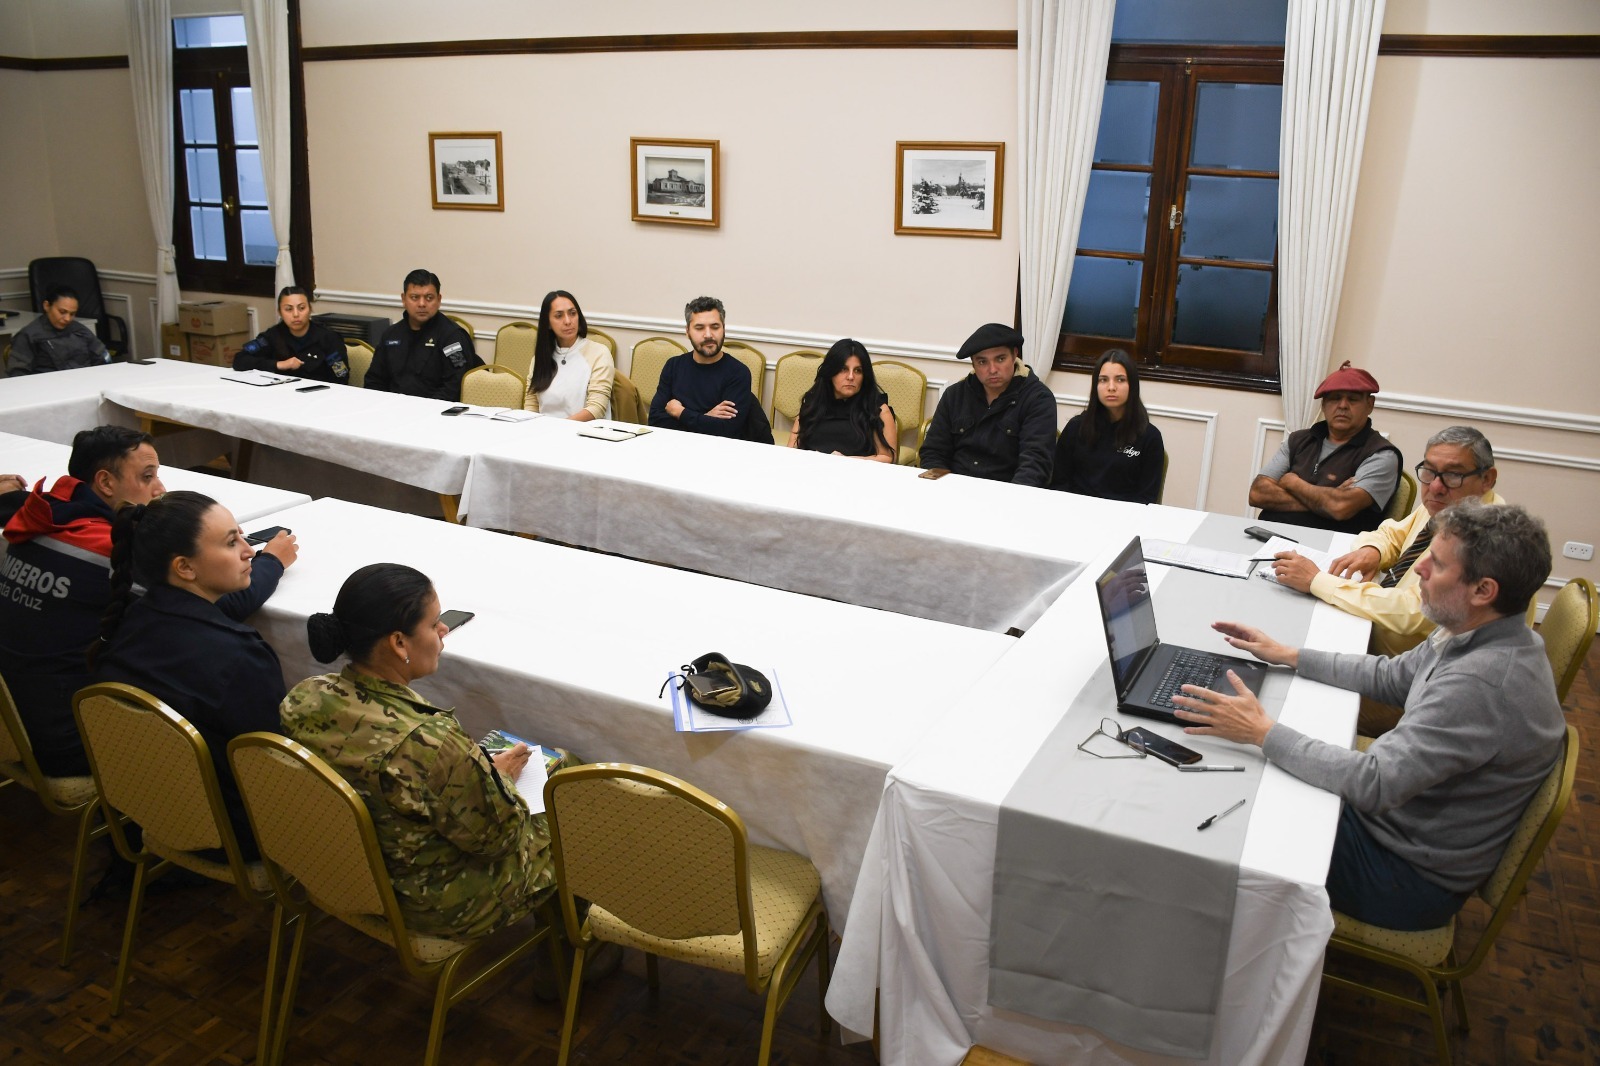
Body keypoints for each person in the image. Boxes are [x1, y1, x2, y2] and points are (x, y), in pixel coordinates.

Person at [1172, 501, 1563, 931]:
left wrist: (1261, 731)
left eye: (1436, 563)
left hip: (1401, 877)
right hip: (1400, 832)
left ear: (1482, 590)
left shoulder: (1481, 684)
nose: (1422, 572)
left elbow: (1373, 782)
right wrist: (1290, 655)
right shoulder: (1482, 627)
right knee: (1258, 774)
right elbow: (1396, 675)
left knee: (1227, 813)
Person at [280, 563, 563, 940]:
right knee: (567, 783)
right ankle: (575, 951)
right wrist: (502, 781)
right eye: (433, 624)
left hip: (340, 871)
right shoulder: (431, 742)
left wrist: (474, 772)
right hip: (433, 905)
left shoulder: (304, 698)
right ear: (399, 643)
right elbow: (500, 841)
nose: (444, 630)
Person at [91, 491, 299, 856]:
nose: (250, 551)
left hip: (148, 809)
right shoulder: (238, 654)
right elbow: (276, 770)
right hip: (236, 834)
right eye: (232, 542)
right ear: (184, 567)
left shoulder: (128, 622)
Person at [0, 427, 172, 775]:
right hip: (66, 742)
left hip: (15, 725)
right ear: (106, 483)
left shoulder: (39, 518)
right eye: (147, 476)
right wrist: (268, 564)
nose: (161, 490)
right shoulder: (107, 552)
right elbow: (196, 606)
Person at [1269, 426, 1512, 657]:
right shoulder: (1454, 505)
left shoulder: (1485, 539)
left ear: (1487, 479)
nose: (1436, 487)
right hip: (1370, 636)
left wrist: (1317, 581)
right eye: (1429, 471)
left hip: (1406, 674)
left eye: (1453, 475)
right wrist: (1374, 550)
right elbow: (1394, 533)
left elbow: (1413, 612)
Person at [1250, 361, 1401, 535]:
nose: (1343, 405)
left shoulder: (1381, 454)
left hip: (1330, 551)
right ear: (1323, 405)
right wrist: (1326, 499)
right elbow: (1257, 493)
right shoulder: (1298, 440)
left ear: (1370, 404)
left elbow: (1340, 507)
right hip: (1268, 534)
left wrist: (1294, 483)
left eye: (1353, 399)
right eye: (1335, 398)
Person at [918, 322, 1056, 487]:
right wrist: (938, 488)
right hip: (954, 488)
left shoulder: (1038, 399)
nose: (992, 369)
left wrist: (1012, 502)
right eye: (982, 362)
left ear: (1015, 355)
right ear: (973, 364)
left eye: (1000, 359)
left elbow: (1035, 464)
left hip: (1007, 492)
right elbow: (934, 451)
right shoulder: (955, 395)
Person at [648, 296, 772, 442]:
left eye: (715, 327)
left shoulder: (738, 372)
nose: (708, 335)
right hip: (677, 447)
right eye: (699, 328)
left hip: (722, 454)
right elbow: (656, 421)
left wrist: (680, 412)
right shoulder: (673, 366)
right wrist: (706, 418)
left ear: (723, 329)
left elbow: (728, 431)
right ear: (687, 331)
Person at [1048, 349, 1164, 503]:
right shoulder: (1076, 428)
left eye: (1120, 380)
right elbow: (1059, 484)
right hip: (1075, 514)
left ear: (1133, 385)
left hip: (1125, 519)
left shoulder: (1150, 437)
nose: (1111, 387)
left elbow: (1146, 499)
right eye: (1103, 380)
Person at [366, 269, 483, 401]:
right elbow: (374, 380)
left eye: (429, 298)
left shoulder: (451, 337)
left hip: (435, 412)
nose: (422, 304)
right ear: (404, 299)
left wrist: (424, 410)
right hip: (392, 408)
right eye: (414, 297)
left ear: (438, 300)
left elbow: (455, 386)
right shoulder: (391, 335)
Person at [787, 338, 897, 462]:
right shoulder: (813, 403)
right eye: (843, 369)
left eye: (858, 371)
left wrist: (845, 461)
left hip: (858, 476)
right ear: (831, 372)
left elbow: (887, 458)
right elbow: (792, 449)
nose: (851, 377)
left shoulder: (877, 409)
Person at [522, 290, 614, 420]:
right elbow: (531, 404)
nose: (567, 321)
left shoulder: (599, 353)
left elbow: (596, 408)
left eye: (572, 313)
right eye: (559, 316)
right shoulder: (540, 358)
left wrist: (558, 429)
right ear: (547, 322)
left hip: (586, 433)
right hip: (544, 433)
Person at [232, 286, 349, 384]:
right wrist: (278, 365)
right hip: (281, 396)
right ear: (280, 312)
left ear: (310, 309)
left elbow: (341, 376)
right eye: (288, 309)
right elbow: (240, 360)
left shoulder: (329, 338)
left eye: (301, 308)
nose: (296, 314)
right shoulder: (272, 336)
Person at [6, 284, 109, 377]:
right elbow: (18, 373)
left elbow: (102, 358)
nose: (67, 318)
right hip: (48, 390)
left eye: (72, 314)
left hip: (85, 384)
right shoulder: (29, 335)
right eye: (62, 312)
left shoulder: (80, 330)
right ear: (47, 306)